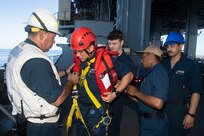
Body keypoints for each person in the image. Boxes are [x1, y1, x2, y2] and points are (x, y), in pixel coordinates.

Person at [6, 9, 79, 136]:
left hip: (25, 121)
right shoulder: (36, 61)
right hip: (41, 127)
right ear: (41, 35)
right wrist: (71, 81)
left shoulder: (19, 50)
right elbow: (57, 99)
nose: (54, 42)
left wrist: (66, 72)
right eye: (53, 37)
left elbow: (33, 80)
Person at [69, 27, 133, 136]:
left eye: (80, 51)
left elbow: (129, 75)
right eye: (76, 52)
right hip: (80, 110)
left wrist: (115, 93)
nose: (77, 55)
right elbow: (71, 72)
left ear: (90, 47)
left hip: (97, 112)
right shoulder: (80, 61)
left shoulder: (106, 60)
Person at [162, 32, 203, 136]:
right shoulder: (163, 64)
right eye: (167, 46)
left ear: (180, 46)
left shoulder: (190, 65)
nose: (169, 49)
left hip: (179, 110)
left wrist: (191, 114)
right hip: (162, 108)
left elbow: (196, 91)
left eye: (172, 46)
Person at [126, 45, 169, 136]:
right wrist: (125, 89)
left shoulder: (158, 73)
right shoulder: (151, 73)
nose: (141, 61)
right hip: (148, 122)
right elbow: (143, 100)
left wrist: (136, 92)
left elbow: (158, 103)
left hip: (155, 126)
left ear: (151, 56)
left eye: (143, 57)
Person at [107, 29, 140, 136]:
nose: (111, 46)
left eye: (114, 43)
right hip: (104, 95)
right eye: (110, 43)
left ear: (122, 42)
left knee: (114, 127)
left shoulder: (128, 62)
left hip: (118, 99)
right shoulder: (107, 57)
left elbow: (129, 83)